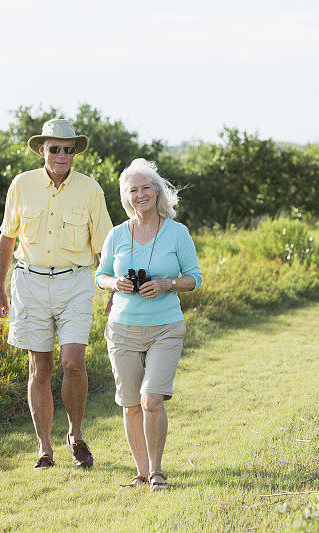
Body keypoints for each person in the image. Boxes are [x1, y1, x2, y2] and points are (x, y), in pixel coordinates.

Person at [0, 119, 113, 470]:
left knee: (73, 364)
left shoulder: (90, 189)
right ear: (42, 149)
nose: (62, 155)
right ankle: (44, 449)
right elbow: (7, 237)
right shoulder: (21, 185)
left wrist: (111, 288)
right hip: (29, 282)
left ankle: (75, 434)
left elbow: (106, 246)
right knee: (39, 367)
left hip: (75, 282)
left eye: (68, 148)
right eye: (55, 148)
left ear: (75, 151)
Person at [95, 158, 202, 491]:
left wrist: (167, 283)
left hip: (165, 327)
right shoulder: (116, 235)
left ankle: (157, 472)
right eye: (133, 190)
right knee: (130, 405)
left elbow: (194, 278)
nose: (140, 195)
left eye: (145, 188)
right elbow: (100, 275)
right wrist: (115, 284)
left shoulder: (177, 232)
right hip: (123, 328)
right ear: (126, 197)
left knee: (151, 399)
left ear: (157, 191)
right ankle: (141, 474)